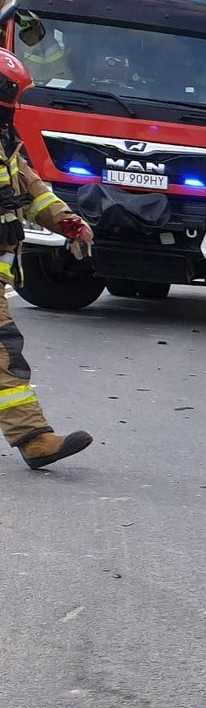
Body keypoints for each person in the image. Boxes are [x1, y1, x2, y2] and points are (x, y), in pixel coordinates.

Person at [0, 48, 95, 469]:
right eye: (13, 98)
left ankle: (34, 438)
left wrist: (67, 221)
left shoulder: (6, 141)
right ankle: (34, 438)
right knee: (4, 353)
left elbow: (31, 190)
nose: (15, 107)